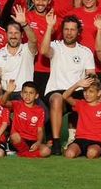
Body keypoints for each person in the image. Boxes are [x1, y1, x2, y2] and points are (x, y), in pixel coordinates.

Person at [39, 14, 96, 155]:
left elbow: (92, 75)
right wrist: (49, 27)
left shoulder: (85, 52)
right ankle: (56, 142)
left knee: (86, 100)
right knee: (58, 98)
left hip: (77, 90)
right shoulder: (55, 46)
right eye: (66, 29)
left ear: (78, 32)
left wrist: (97, 93)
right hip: (56, 90)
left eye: (72, 29)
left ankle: (77, 139)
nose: (69, 32)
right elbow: (44, 51)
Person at [60, 76, 101, 159]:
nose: (87, 94)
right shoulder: (81, 104)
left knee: (91, 153)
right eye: (85, 91)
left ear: (98, 93)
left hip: (96, 141)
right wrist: (77, 84)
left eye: (91, 91)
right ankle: (71, 149)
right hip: (80, 139)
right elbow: (65, 96)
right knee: (69, 154)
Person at [0, 16, 38, 99]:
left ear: (22, 35)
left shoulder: (27, 49)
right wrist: (1, 97)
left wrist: (24, 24)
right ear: (6, 35)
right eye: (10, 33)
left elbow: (34, 40)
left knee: (45, 111)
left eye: (16, 33)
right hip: (6, 93)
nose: (13, 36)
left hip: (26, 95)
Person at [8, 82, 51, 158]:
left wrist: (38, 142)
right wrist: (8, 92)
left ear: (36, 96)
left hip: (32, 141)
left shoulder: (40, 110)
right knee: (14, 136)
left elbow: (40, 130)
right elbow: (3, 102)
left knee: (46, 151)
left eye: (31, 93)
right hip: (19, 140)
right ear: (21, 94)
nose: (27, 95)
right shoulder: (17, 104)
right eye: (25, 92)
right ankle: (28, 153)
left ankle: (22, 154)